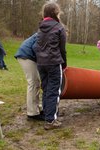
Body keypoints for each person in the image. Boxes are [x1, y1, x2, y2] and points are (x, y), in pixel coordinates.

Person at [34, 2, 67, 130]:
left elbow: (37, 46)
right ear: (56, 13)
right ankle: (51, 120)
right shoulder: (59, 27)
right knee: (54, 90)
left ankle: (47, 114)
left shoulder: (40, 27)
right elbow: (62, 49)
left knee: (46, 89)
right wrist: (64, 64)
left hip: (41, 63)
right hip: (53, 62)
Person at [14, 33, 45, 121]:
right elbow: (36, 47)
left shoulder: (44, 31)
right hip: (26, 56)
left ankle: (36, 108)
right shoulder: (44, 33)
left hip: (28, 55)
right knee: (33, 83)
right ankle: (32, 113)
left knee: (36, 83)